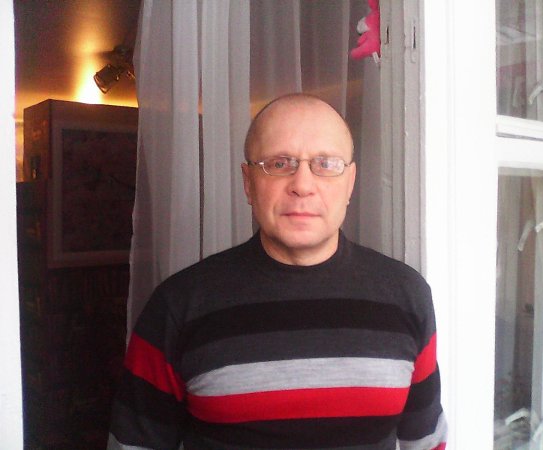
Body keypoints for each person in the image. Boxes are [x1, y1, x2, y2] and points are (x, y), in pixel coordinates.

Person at [108, 93, 447, 450]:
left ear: (349, 183)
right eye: (279, 163)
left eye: (326, 164)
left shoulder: (407, 296)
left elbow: (426, 442)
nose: (302, 185)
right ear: (249, 182)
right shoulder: (179, 304)